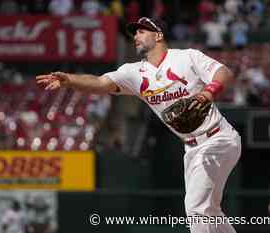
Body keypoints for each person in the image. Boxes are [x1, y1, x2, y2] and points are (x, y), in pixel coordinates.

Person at [36, 17, 241, 233]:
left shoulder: (187, 57)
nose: (136, 37)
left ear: (158, 35)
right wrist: (70, 79)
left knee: (196, 208)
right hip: (191, 147)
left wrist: (208, 92)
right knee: (210, 211)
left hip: (218, 138)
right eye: (134, 33)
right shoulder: (133, 73)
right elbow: (99, 83)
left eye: (142, 32)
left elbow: (224, 73)